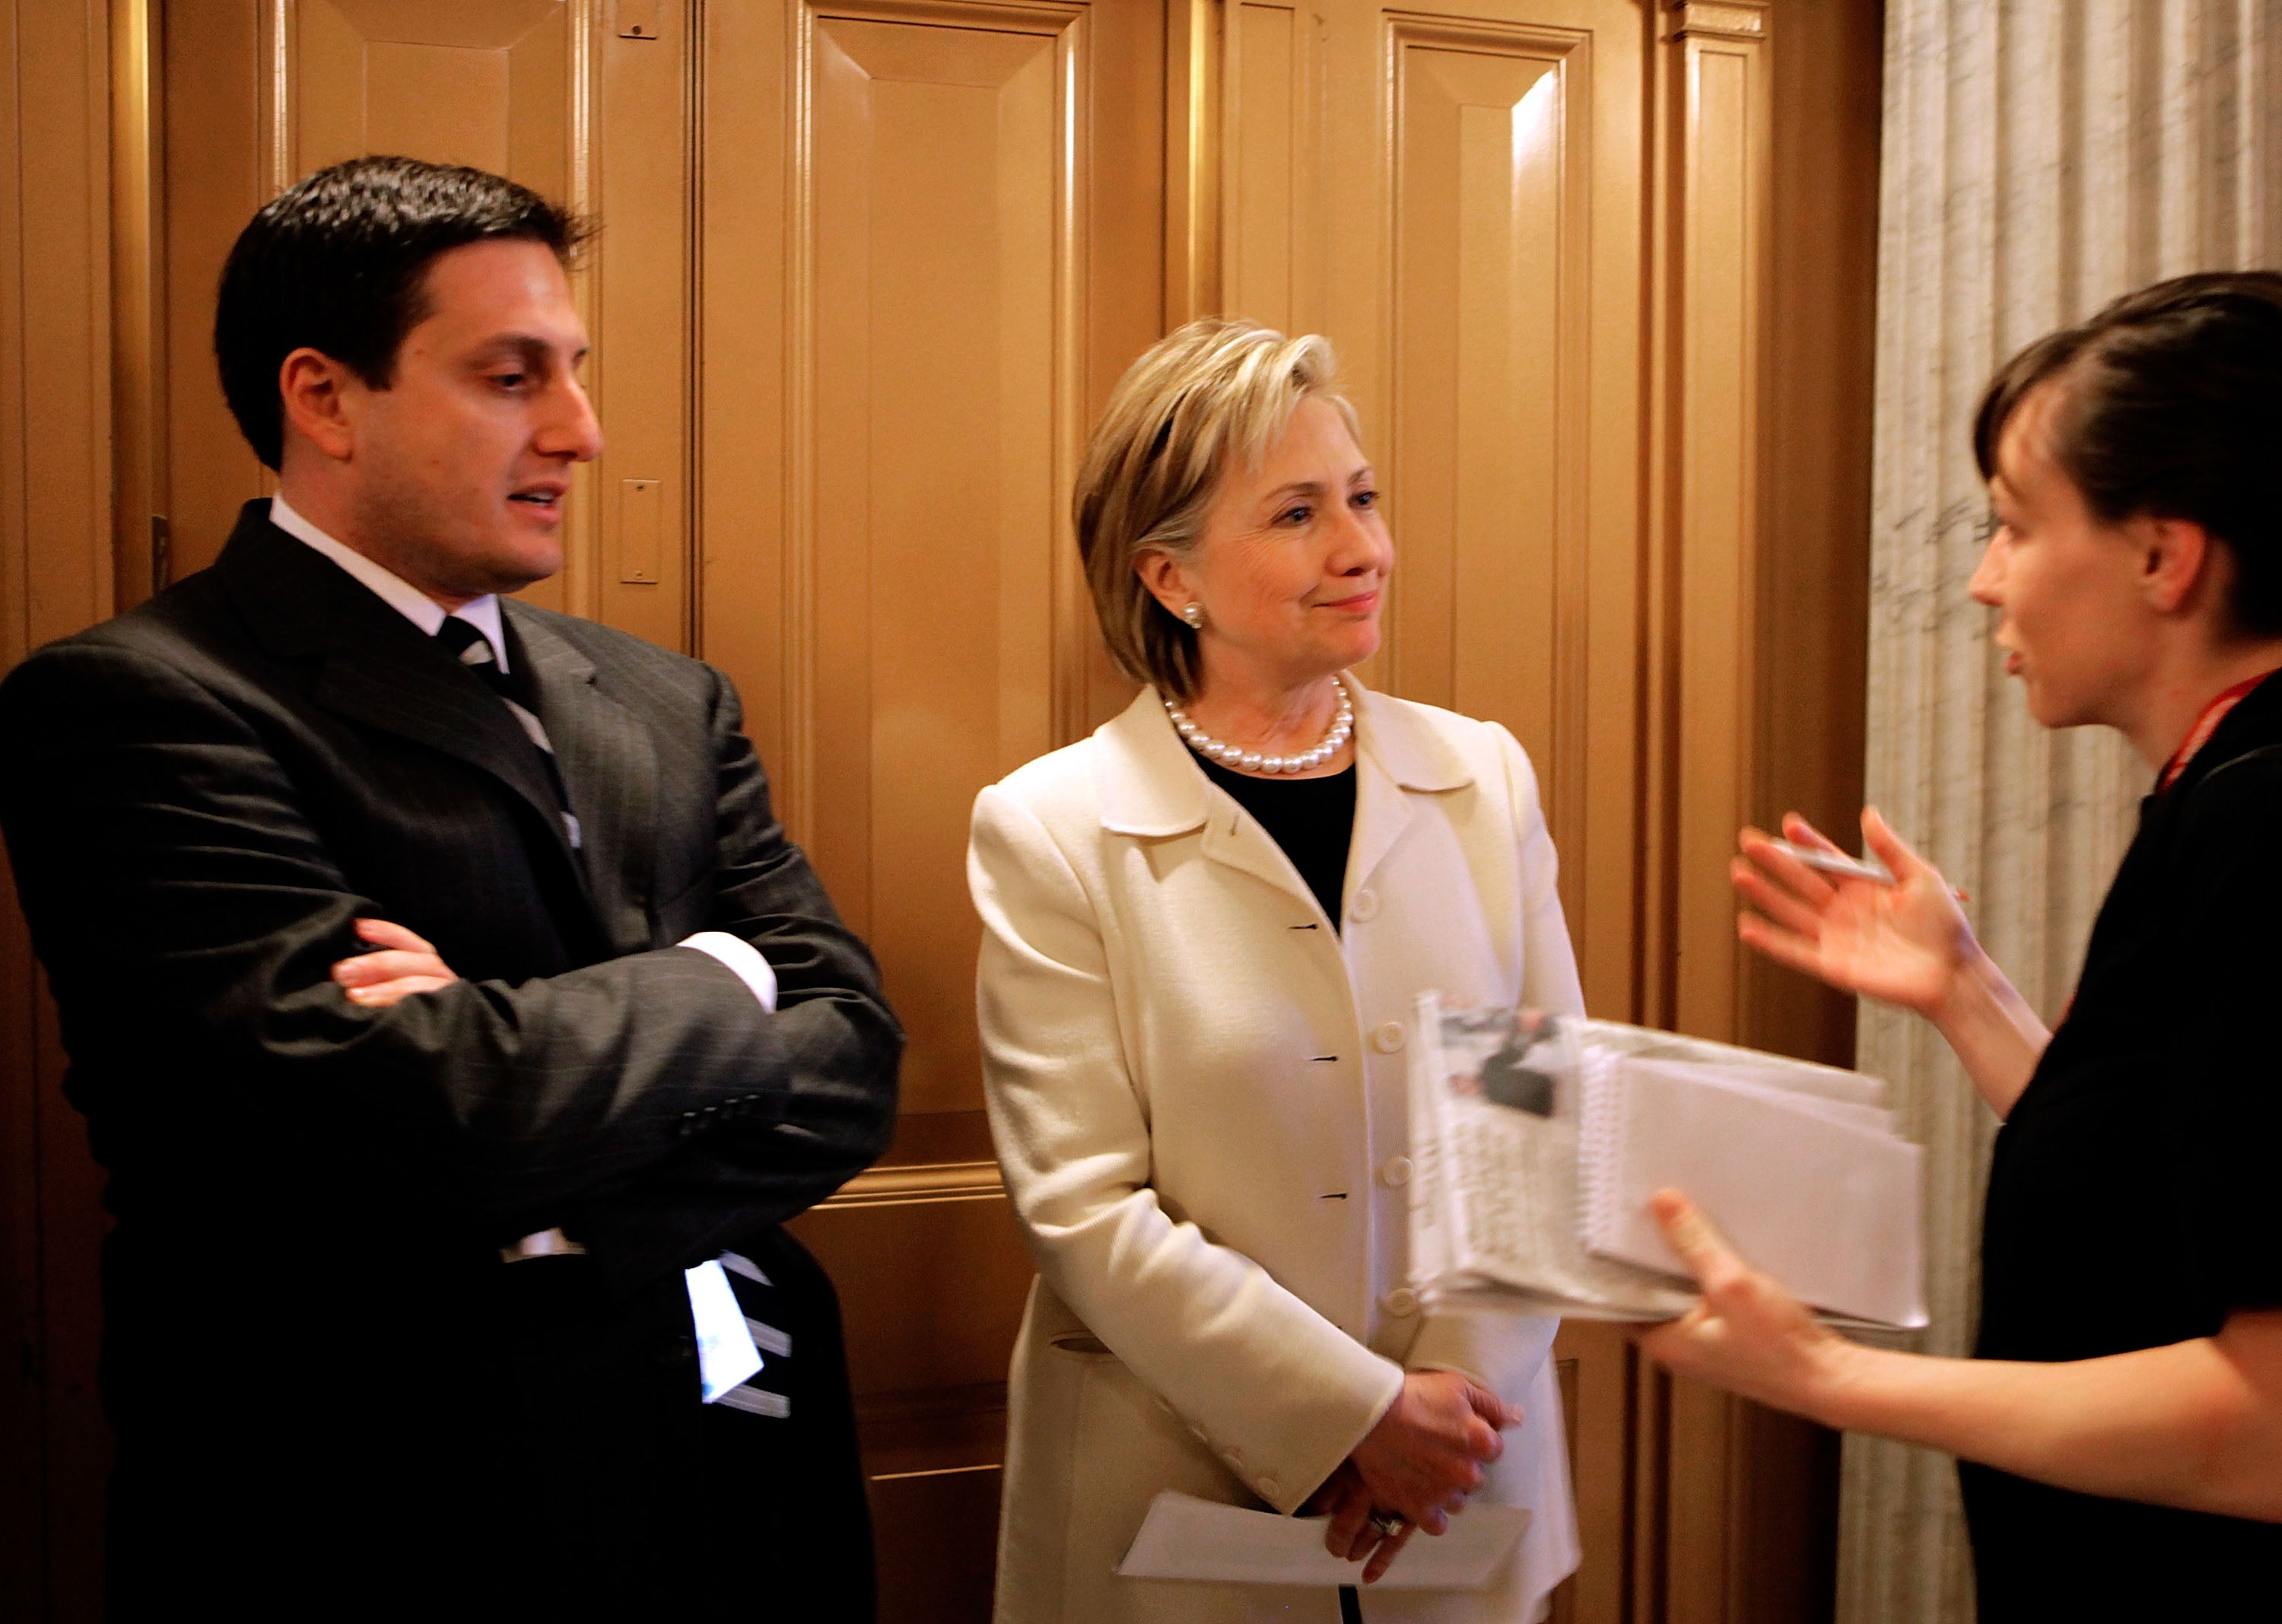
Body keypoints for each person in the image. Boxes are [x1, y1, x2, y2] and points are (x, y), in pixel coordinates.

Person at [0, 157, 900, 1618]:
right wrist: (725, 982)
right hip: (379, 1515)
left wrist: (529, 1125)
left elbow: (854, 1055)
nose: (581, 432)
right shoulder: (138, 703)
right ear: (325, 397)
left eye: (576, 373)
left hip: (736, 1474)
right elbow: (406, 1116)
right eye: (509, 377)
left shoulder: (667, 701)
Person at [1637, 271, 2282, 1619]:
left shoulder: (2268, 829)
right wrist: (1967, 996)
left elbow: (2270, 1426)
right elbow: (2177, 1201)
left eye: (2012, 527)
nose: (1986, 582)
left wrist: (1829, 1379)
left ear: (2166, 556)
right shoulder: (2218, 796)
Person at [968, 319, 1581, 1624]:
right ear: (1169, 579)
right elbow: (1084, 1208)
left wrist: (1445, 1424)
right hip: (1176, 1509)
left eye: (1361, 498)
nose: (1362, 549)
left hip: (1463, 1497)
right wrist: (1354, 1417)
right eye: (1298, 514)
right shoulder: (1053, 827)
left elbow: (1540, 1122)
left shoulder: (1481, 778)